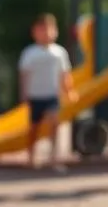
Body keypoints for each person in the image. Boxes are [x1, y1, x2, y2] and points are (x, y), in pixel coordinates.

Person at [18, 13, 75, 169]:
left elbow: (65, 74)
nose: (46, 33)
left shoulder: (59, 53)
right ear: (35, 32)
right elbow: (24, 74)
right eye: (41, 30)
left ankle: (53, 157)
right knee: (33, 128)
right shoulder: (30, 53)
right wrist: (23, 93)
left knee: (54, 123)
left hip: (52, 95)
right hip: (35, 95)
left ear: (55, 31)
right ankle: (31, 157)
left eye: (49, 29)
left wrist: (69, 91)